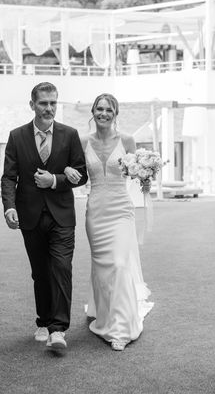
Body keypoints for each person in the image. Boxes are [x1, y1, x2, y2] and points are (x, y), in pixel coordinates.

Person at [1, 82, 88, 350]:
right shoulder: (16, 136)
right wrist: (9, 206)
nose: (49, 108)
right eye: (43, 103)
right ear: (32, 105)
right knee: (40, 272)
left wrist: (55, 180)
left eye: (53, 103)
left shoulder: (70, 134)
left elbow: (81, 174)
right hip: (30, 215)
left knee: (61, 268)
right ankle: (43, 320)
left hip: (62, 216)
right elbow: (9, 177)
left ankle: (58, 329)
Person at [63, 93, 153, 351]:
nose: (103, 114)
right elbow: (75, 172)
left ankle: (122, 328)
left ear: (115, 114)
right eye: (99, 109)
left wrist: (146, 178)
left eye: (109, 110)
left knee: (119, 263)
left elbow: (138, 173)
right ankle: (103, 313)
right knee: (103, 266)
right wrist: (67, 172)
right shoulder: (82, 141)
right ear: (93, 112)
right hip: (96, 210)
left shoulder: (127, 140)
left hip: (121, 209)